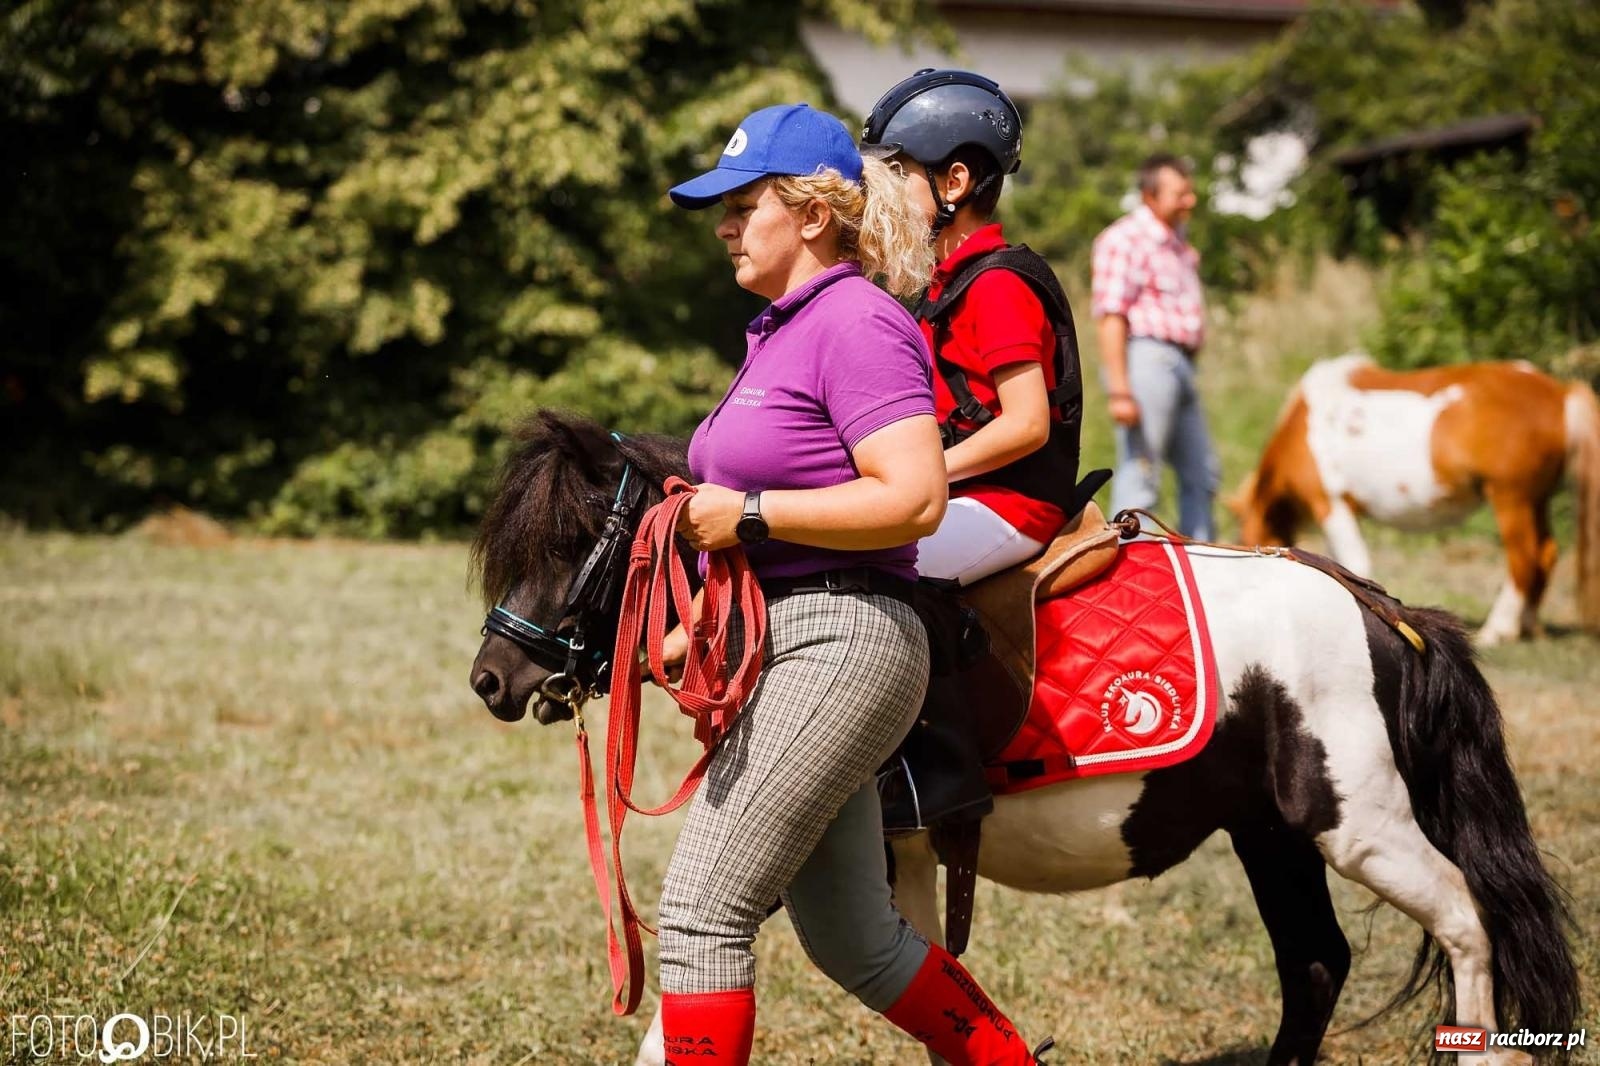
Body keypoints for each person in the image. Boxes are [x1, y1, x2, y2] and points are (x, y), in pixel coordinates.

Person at [658, 102, 1049, 1065]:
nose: (723, 225)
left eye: (743, 205)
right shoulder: (776, 330)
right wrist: (702, 616)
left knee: (702, 913)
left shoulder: (857, 321)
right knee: (854, 939)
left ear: (811, 214)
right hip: (784, 635)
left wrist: (748, 515)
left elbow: (913, 497)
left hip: (844, 641)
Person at [860, 69, 1084, 586]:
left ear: (954, 182)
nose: (884, 196)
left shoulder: (997, 285)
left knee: (858, 567)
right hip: (959, 496)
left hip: (1008, 507)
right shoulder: (943, 284)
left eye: (899, 175)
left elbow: (1027, 424)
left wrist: (923, 474)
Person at [1091, 153, 1220, 539]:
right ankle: (1132, 573)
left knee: (1203, 472)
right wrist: (1120, 390)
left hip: (1181, 366)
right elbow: (1111, 316)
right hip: (1148, 362)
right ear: (1150, 196)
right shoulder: (1124, 239)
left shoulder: (1175, 240)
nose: (1190, 201)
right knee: (1142, 471)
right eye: (1180, 193)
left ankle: (1202, 563)